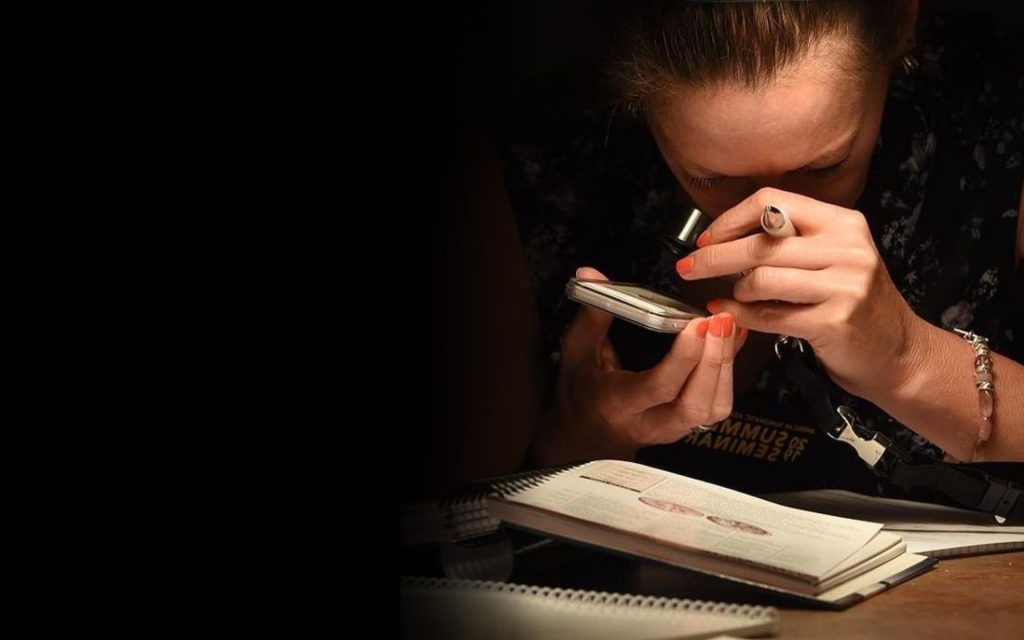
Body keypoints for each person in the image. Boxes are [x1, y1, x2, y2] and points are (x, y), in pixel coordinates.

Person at [498, 0, 1024, 494]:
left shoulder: (999, 116)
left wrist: (908, 358)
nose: (773, 225)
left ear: (901, 29)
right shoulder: (557, 160)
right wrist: (586, 434)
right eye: (711, 178)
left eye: (823, 167)